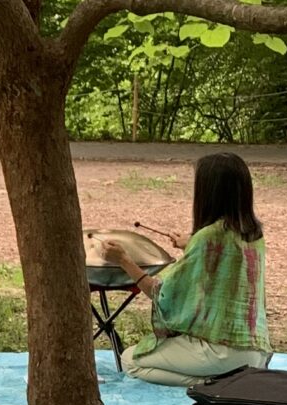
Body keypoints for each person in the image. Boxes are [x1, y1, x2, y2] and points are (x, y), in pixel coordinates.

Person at [102, 151, 270, 390]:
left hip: (221, 355)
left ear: (209, 193)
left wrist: (124, 260)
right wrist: (191, 244)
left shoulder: (207, 238)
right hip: (256, 354)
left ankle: (211, 383)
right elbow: (223, 262)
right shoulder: (254, 234)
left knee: (131, 360)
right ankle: (228, 379)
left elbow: (162, 294)